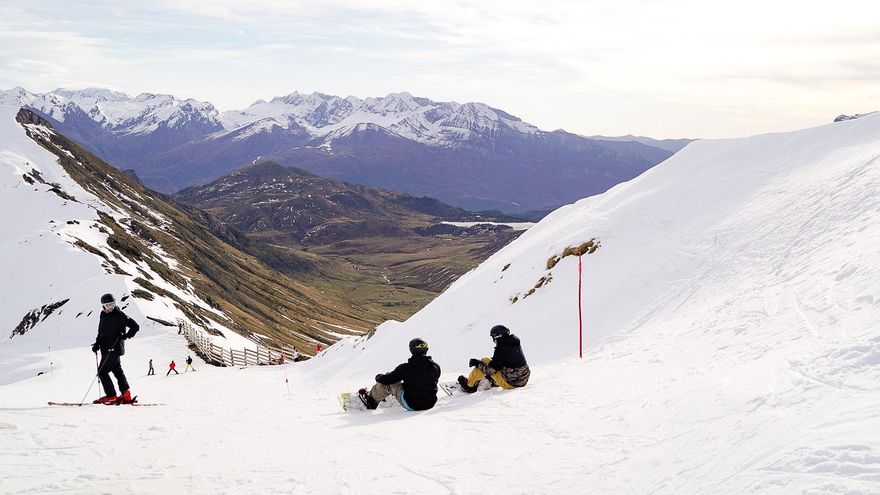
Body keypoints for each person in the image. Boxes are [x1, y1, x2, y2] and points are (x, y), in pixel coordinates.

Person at [358, 338, 441, 411]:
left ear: (411, 350)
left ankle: (371, 401)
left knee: (389, 381)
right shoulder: (436, 367)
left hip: (412, 405)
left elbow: (387, 380)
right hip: (430, 404)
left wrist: (378, 377)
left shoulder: (405, 368)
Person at [91, 293, 139, 404]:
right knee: (117, 370)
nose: (111, 307)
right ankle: (126, 394)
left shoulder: (119, 315)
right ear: (103, 306)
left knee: (102, 372)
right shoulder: (103, 315)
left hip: (114, 348)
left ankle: (111, 395)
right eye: (108, 305)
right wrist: (97, 344)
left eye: (112, 304)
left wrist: (126, 336)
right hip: (106, 348)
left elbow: (135, 327)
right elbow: (101, 332)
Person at [457, 325, 530, 393]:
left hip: (511, 384)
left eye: (494, 338)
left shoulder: (501, 349)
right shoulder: (513, 341)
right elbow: (506, 360)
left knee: (484, 361)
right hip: (523, 378)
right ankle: (492, 380)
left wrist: (477, 363)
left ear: (499, 337)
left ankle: (469, 386)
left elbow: (490, 371)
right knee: (488, 363)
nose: (493, 341)